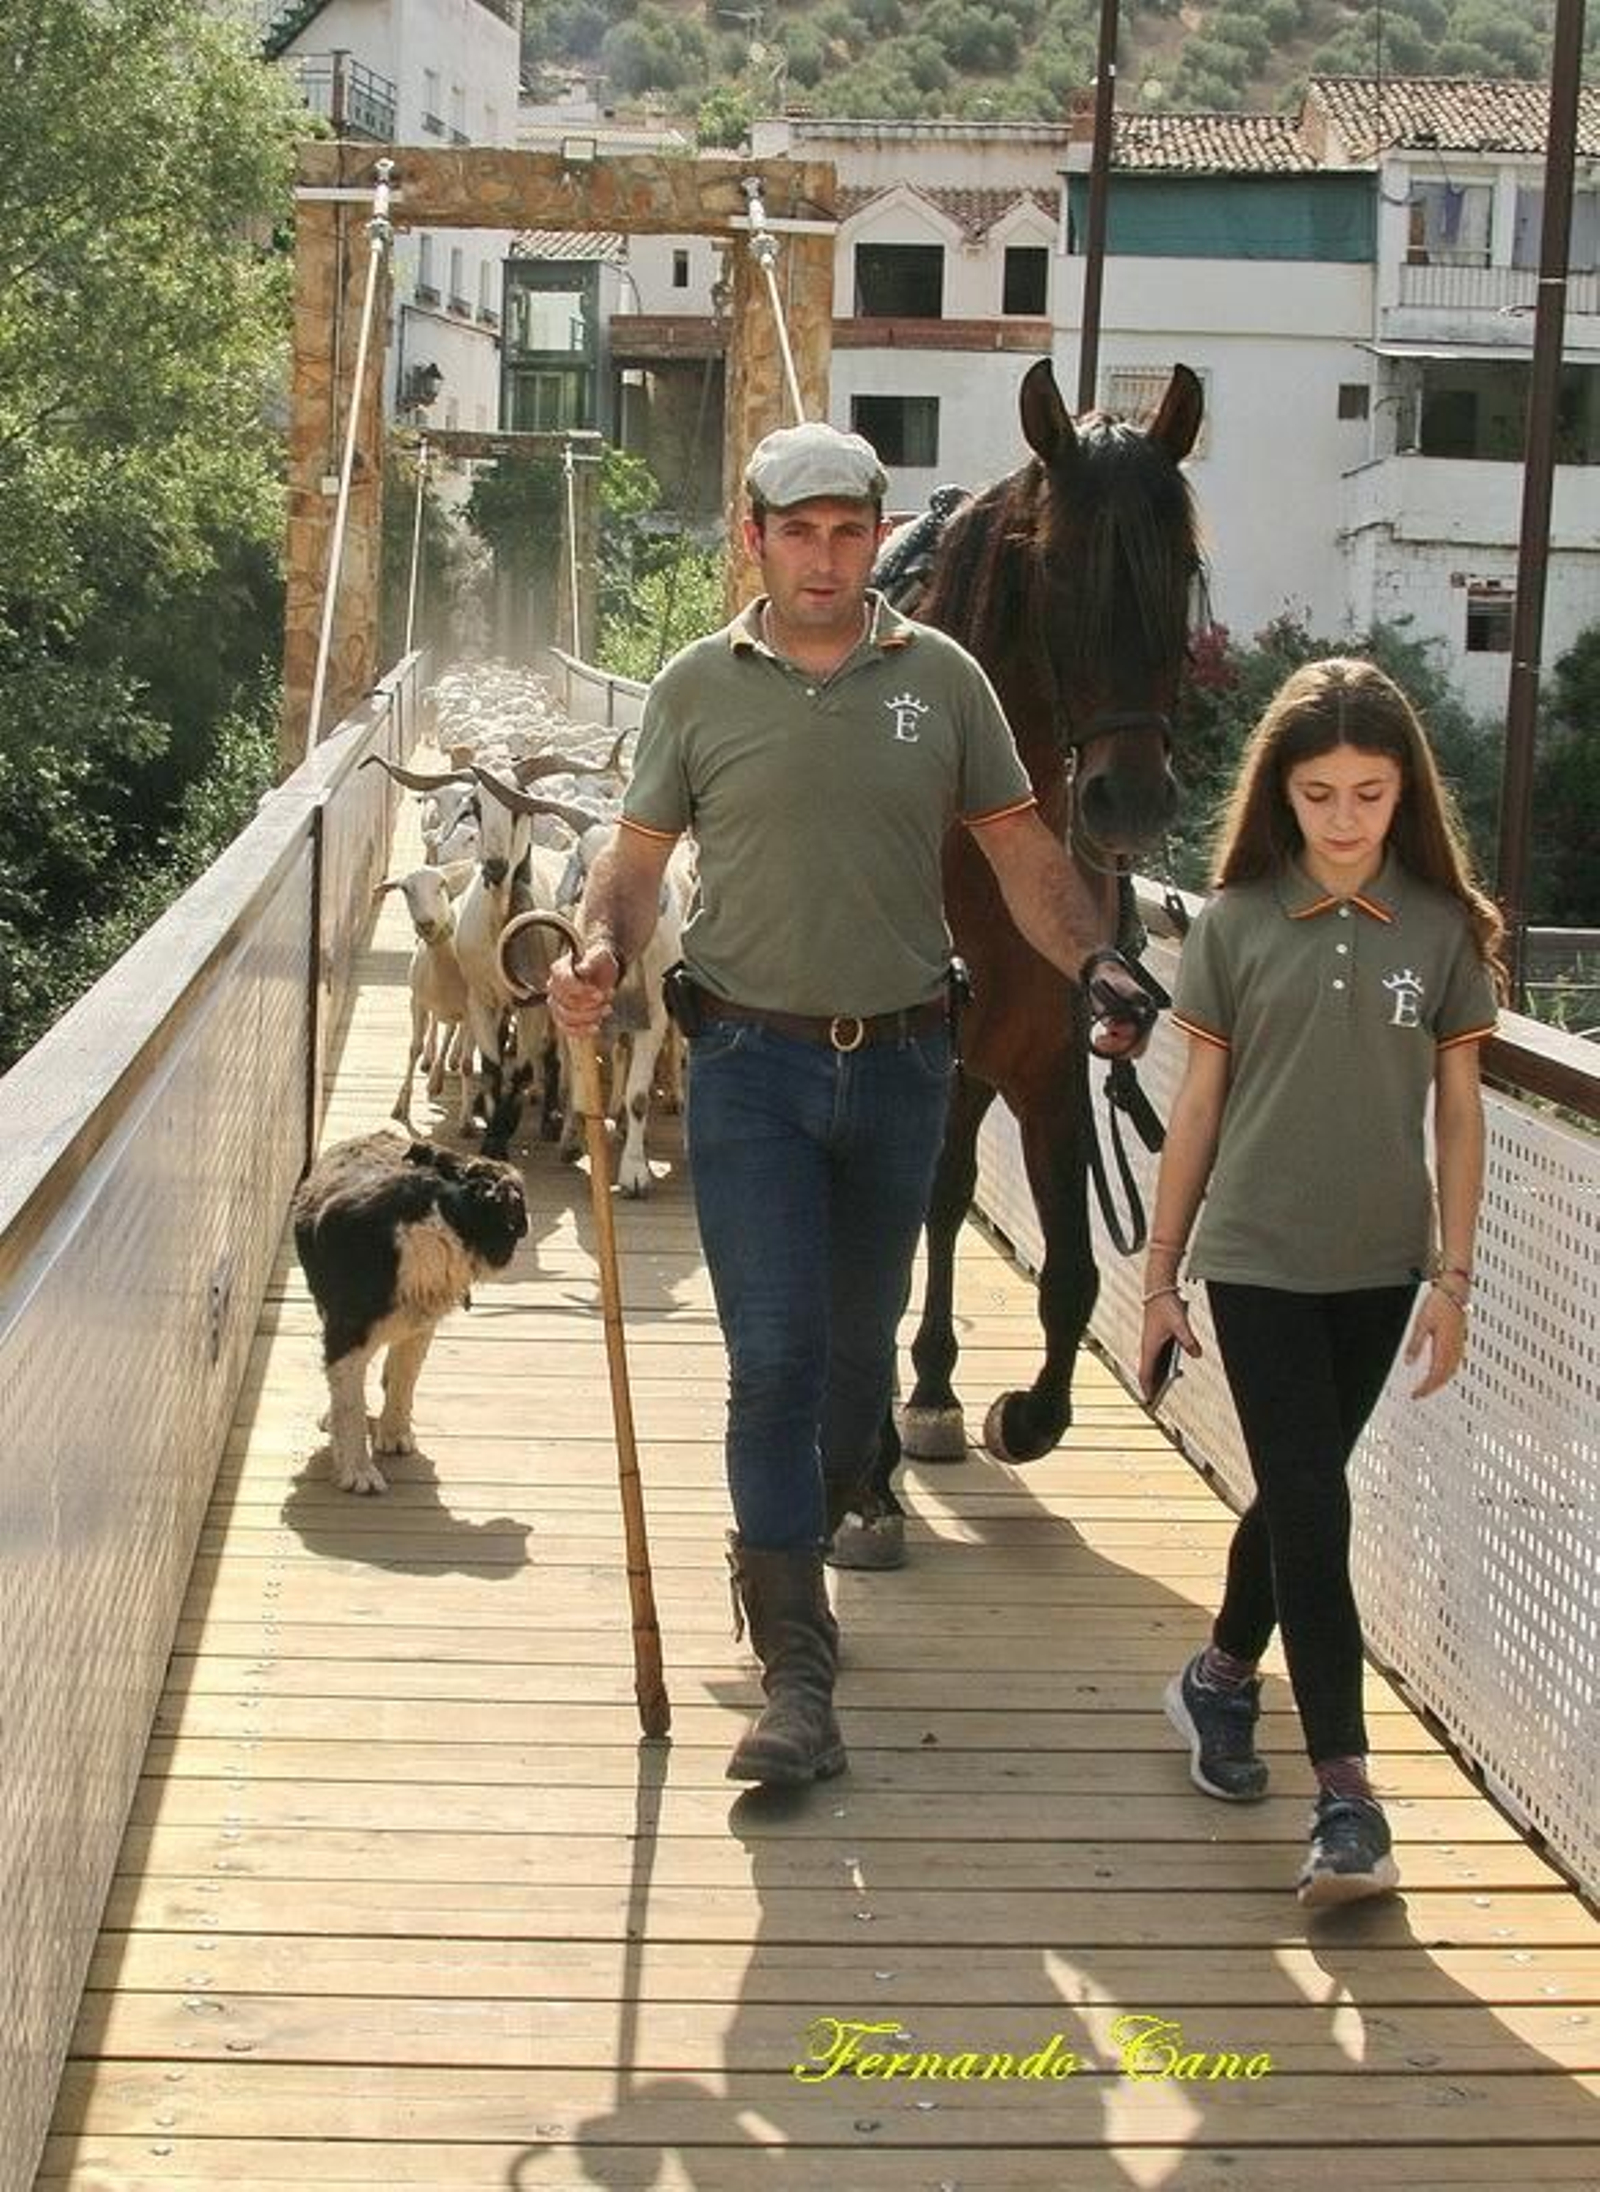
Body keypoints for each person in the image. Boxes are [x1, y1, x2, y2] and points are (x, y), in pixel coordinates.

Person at [549, 418, 1149, 1789]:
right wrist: (596, 947)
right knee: (770, 1356)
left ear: (877, 537)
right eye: (797, 532)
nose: (824, 559)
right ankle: (798, 1673)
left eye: (847, 532)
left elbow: (1025, 856)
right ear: (752, 540)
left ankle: (789, 1539)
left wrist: (1098, 958)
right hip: (749, 1067)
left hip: (900, 1069)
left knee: (854, 1356)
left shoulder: (942, 684)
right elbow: (634, 869)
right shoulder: (699, 687)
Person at [1137, 656, 1503, 1907]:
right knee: (1310, 1497)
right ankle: (1346, 1797)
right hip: (1253, 1257)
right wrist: (1158, 1276)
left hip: (1383, 1261)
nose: (1344, 820)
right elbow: (1196, 1107)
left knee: (1305, 1495)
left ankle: (1221, 1672)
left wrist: (1452, 1276)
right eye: (1317, 795)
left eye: (1369, 793)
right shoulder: (1235, 924)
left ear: (1404, 794)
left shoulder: (1443, 931)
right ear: (1278, 796)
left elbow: (1458, 1113)